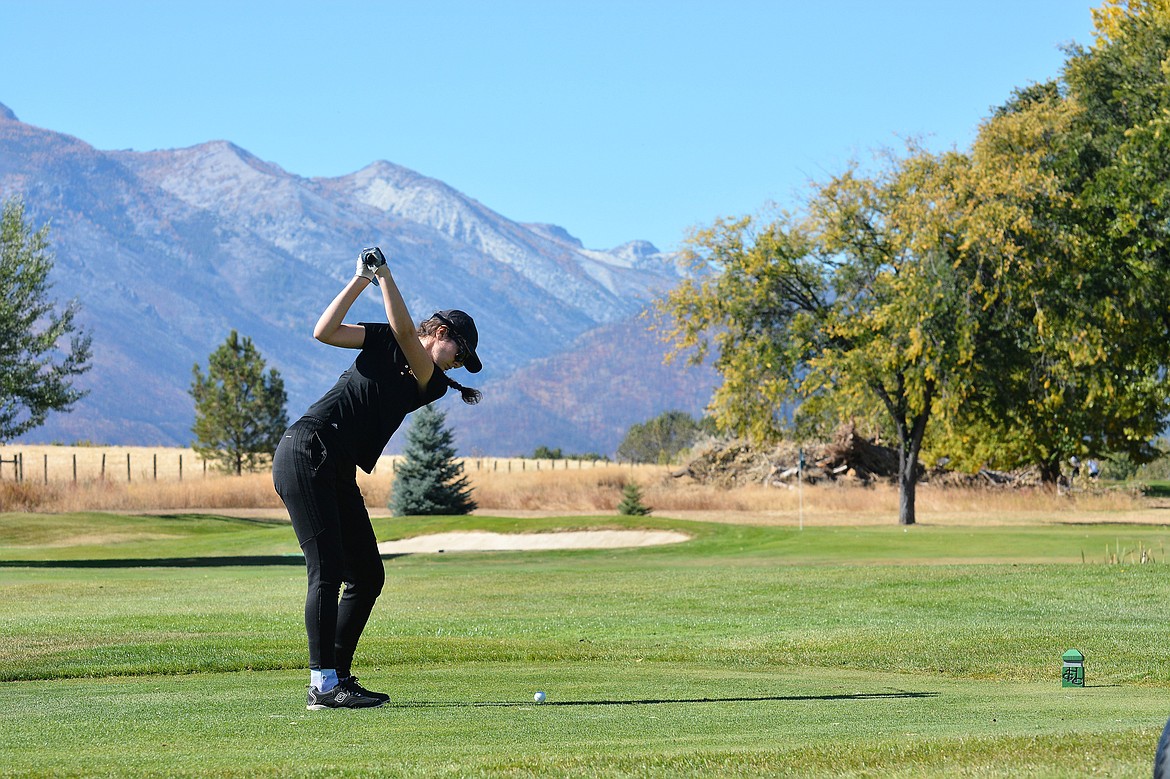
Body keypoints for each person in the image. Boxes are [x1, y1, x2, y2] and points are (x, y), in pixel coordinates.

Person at [272, 247, 482, 710]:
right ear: (442, 333)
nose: (457, 363)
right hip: (307, 450)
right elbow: (323, 331)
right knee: (326, 571)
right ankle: (323, 686)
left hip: (335, 465)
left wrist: (384, 273)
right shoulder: (383, 338)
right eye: (460, 352)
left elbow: (407, 333)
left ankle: (338, 678)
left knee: (366, 575)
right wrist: (361, 279)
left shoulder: (430, 380)